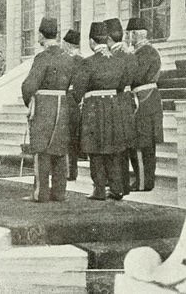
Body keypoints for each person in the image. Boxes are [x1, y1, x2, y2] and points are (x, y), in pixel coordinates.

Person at [71, 23, 131, 201]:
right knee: (113, 148)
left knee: (95, 149)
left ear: (91, 41)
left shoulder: (87, 62)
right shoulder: (118, 59)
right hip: (114, 106)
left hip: (94, 108)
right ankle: (117, 188)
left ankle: (98, 189)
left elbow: (78, 91)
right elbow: (122, 84)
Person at [21, 18, 74, 202]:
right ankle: (59, 192)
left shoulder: (42, 58)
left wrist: (30, 101)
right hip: (63, 104)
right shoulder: (68, 57)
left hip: (44, 106)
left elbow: (29, 85)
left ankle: (41, 193)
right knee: (60, 149)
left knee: (42, 150)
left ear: (41, 35)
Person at [126, 17, 164, 192]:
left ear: (135, 34)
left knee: (141, 144)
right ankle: (145, 181)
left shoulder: (144, 53)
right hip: (148, 99)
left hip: (143, 99)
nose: (127, 37)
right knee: (146, 144)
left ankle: (143, 182)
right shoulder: (147, 52)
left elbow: (136, 77)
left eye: (129, 34)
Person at [105, 18, 139, 197]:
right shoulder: (130, 55)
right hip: (128, 101)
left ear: (109, 39)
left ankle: (117, 187)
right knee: (124, 146)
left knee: (114, 146)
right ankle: (123, 186)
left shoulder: (113, 57)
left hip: (115, 101)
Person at [62, 30, 83, 181]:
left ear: (68, 45)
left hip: (68, 101)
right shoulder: (83, 60)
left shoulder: (68, 61)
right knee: (73, 140)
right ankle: (71, 171)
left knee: (67, 138)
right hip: (77, 102)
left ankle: (68, 171)